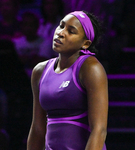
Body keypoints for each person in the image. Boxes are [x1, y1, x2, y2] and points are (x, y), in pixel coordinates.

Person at [27, 10, 108, 150]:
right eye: (61, 26)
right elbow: (37, 129)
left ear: (86, 43)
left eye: (71, 31)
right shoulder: (39, 71)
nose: (61, 33)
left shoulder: (90, 68)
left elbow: (99, 130)